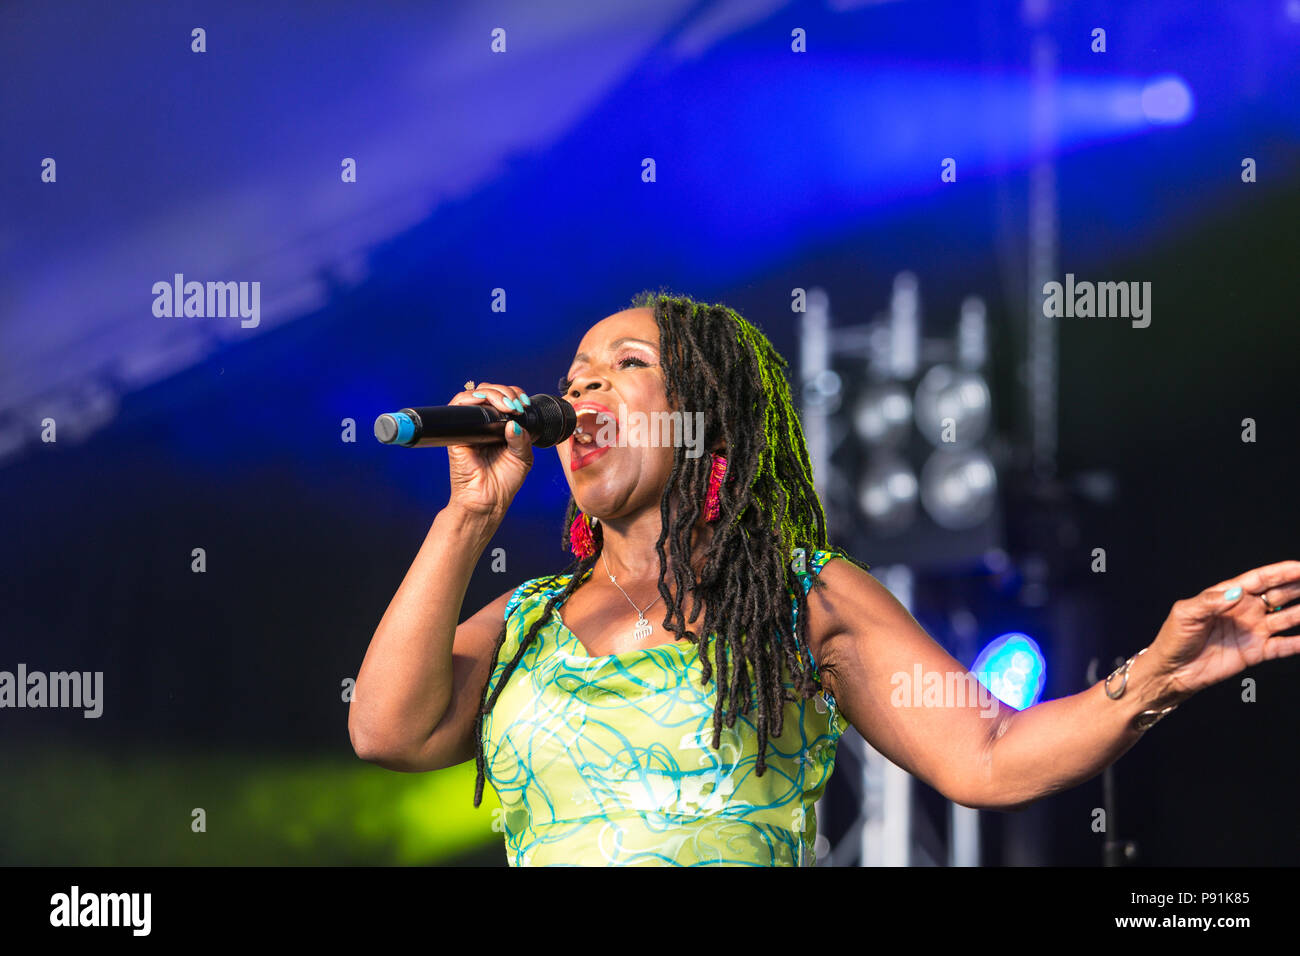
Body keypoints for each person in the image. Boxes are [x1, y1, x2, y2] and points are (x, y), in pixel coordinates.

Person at [349, 290, 1300, 866]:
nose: (583, 389)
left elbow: (989, 755)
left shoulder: (805, 595)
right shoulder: (528, 619)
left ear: (707, 424)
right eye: (576, 373)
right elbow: (387, 729)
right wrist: (470, 514)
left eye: (624, 365)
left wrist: (1157, 676)